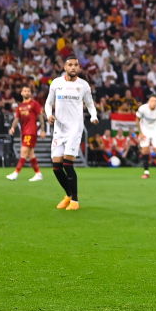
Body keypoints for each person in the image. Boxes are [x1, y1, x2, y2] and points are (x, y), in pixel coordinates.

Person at [44, 57, 99, 211]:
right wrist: (49, 115)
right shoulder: (56, 83)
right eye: (70, 65)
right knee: (56, 167)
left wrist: (93, 116)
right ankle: (68, 195)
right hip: (59, 129)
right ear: (64, 67)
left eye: (76, 65)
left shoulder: (83, 85)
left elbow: (90, 104)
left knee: (67, 163)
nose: (73, 67)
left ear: (79, 68)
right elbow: (48, 103)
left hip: (75, 128)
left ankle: (75, 200)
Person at [6, 85, 45, 181]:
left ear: (30, 93)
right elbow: (16, 118)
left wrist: (43, 129)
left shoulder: (34, 104)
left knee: (23, 152)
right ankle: (38, 174)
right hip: (24, 132)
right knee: (30, 154)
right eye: (25, 91)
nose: (27, 92)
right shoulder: (20, 106)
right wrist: (12, 128)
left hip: (31, 131)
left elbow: (40, 117)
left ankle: (16, 173)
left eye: (28, 91)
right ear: (21, 93)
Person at [136, 95, 156, 179]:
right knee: (145, 150)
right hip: (145, 131)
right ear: (148, 101)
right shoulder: (142, 108)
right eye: (151, 101)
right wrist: (140, 133)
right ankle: (146, 172)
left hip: (155, 131)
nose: (153, 103)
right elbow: (137, 120)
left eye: (155, 101)